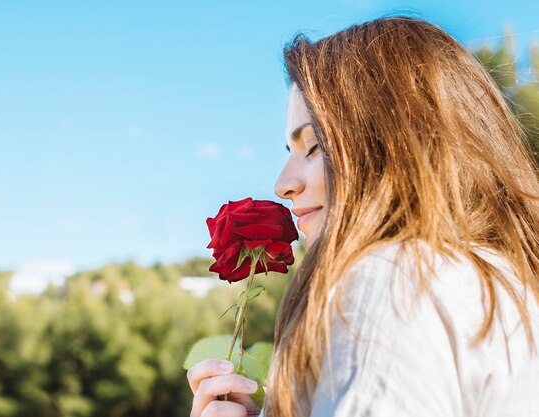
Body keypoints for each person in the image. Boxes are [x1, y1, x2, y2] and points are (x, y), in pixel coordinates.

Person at [187, 15, 539, 417]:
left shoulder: (394, 279)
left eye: (314, 145)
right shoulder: (505, 279)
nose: (282, 184)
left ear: (396, 142)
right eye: (290, 150)